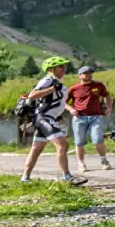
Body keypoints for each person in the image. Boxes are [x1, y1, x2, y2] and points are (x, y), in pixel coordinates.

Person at [21, 56, 87, 185]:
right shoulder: (48, 79)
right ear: (51, 69)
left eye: (64, 66)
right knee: (63, 145)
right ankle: (67, 177)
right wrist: (52, 89)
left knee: (36, 149)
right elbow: (32, 95)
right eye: (60, 67)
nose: (64, 69)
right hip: (43, 117)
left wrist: (57, 114)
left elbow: (53, 101)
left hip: (47, 117)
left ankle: (25, 178)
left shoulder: (55, 81)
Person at [68, 66, 112, 171]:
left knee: (98, 139)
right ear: (79, 76)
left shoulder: (98, 85)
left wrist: (109, 107)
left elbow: (107, 96)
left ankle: (104, 161)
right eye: (85, 73)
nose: (88, 75)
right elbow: (63, 102)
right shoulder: (74, 88)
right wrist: (70, 109)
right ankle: (81, 163)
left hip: (95, 117)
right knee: (79, 142)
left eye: (90, 73)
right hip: (79, 118)